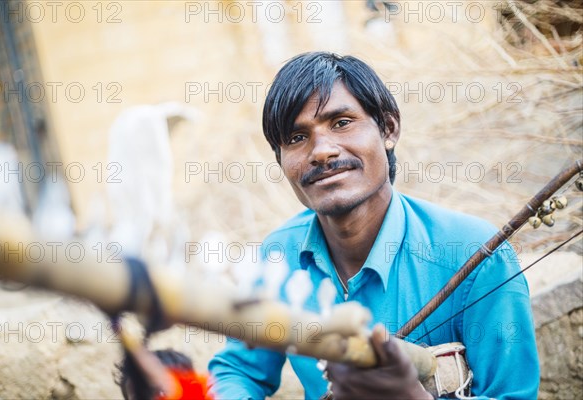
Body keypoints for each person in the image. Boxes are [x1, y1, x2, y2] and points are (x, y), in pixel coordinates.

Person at [208, 52, 539, 399]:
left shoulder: (476, 252)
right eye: (296, 137)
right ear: (281, 161)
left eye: (341, 122)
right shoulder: (278, 256)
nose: (321, 151)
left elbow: (513, 394)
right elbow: (238, 370)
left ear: (389, 129)